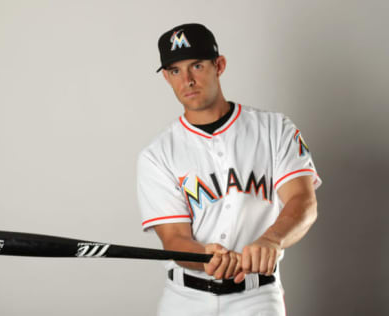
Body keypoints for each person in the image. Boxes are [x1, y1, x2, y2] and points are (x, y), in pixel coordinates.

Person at [136, 23, 321, 315]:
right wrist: (203, 256)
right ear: (167, 78)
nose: (187, 80)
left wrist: (272, 238)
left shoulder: (275, 129)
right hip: (185, 299)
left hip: (257, 296)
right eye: (175, 71)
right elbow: (174, 238)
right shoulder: (157, 154)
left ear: (218, 65)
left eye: (196, 65)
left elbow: (303, 202)